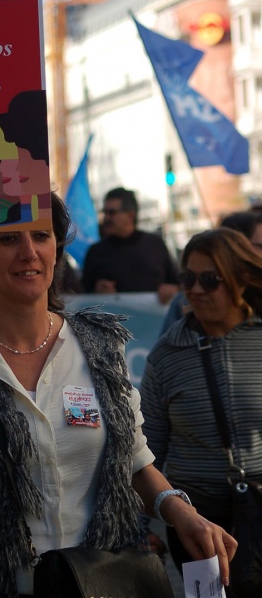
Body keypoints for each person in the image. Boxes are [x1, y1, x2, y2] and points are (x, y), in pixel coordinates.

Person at [0, 193, 236, 597]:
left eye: (42, 236)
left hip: (94, 582)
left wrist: (180, 511)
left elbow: (133, 460)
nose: (29, 253)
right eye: (8, 239)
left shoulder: (99, 346)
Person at [140, 227, 262, 596]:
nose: (194, 290)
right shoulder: (166, 355)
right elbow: (144, 451)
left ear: (241, 280)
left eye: (210, 280)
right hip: (197, 524)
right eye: (187, 278)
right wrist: (138, 526)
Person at [81, 187, 180, 304]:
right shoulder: (96, 252)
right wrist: (96, 292)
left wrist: (170, 289)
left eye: (112, 213)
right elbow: (81, 295)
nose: (106, 218)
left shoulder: (155, 244)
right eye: (105, 212)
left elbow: (177, 284)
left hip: (155, 320)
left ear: (130, 215)